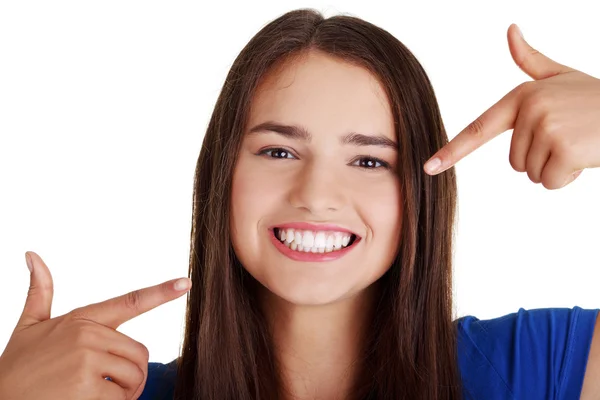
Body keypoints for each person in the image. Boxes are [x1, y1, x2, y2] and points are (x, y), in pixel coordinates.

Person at [1, 8, 599, 400]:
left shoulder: (539, 368)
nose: (315, 195)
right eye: (279, 152)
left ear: (420, 193)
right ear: (222, 175)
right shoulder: (101, 395)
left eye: (369, 161)